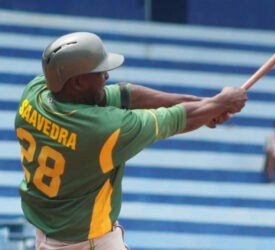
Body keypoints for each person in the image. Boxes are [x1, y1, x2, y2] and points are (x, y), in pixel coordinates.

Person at [14, 32, 247, 249]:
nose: (106, 76)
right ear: (77, 83)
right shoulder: (103, 129)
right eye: (99, 72)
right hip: (87, 243)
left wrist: (206, 104)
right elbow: (178, 119)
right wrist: (222, 102)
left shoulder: (35, 93)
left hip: (49, 235)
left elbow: (124, 94)